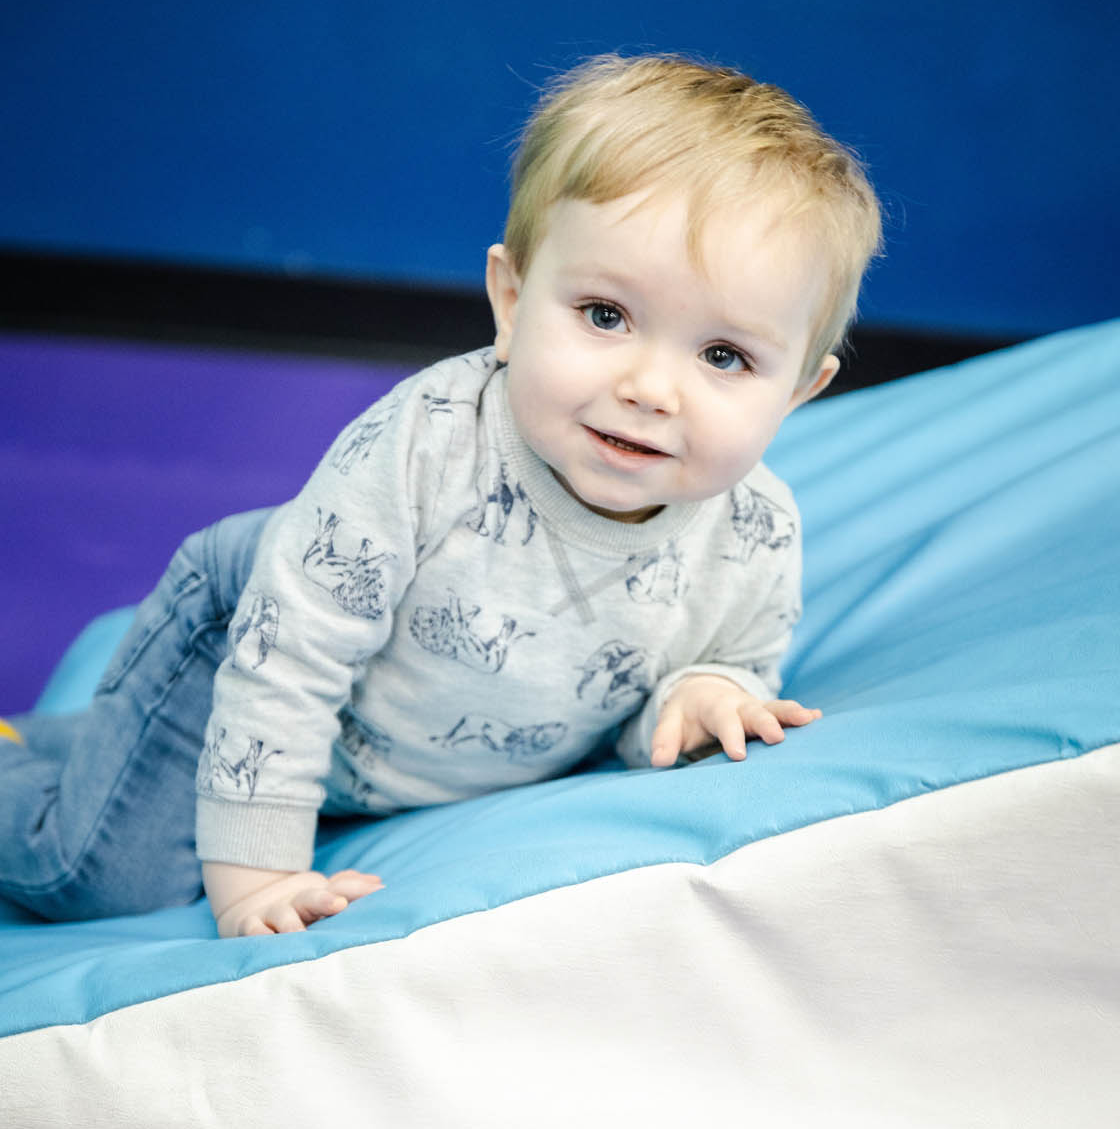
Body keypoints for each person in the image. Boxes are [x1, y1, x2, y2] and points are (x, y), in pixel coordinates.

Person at [0, 53, 882, 937]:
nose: (653, 388)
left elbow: (701, 665)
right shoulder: (427, 444)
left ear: (801, 390)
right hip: (256, 629)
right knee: (101, 876)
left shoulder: (755, 533)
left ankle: (41, 746)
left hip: (385, 747)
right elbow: (289, 657)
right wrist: (259, 875)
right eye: (606, 316)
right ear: (510, 299)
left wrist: (698, 694)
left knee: (114, 770)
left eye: (723, 356)